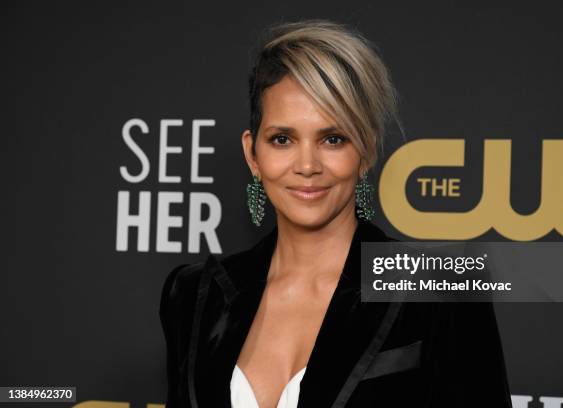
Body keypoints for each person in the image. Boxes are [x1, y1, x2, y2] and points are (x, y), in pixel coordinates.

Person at [159, 19, 512, 408]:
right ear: (252, 154)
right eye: (282, 139)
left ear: (366, 152)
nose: (307, 165)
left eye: (332, 139)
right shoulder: (194, 295)